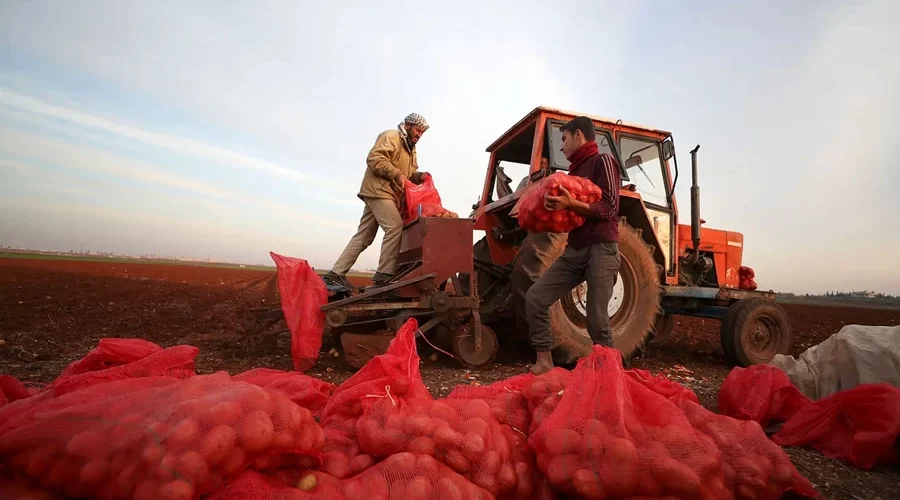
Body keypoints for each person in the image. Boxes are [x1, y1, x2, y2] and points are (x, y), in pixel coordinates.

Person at [524, 116, 621, 375]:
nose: (562, 146)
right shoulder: (573, 174)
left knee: (597, 319)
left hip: (602, 248)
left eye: (564, 139)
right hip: (575, 250)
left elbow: (610, 208)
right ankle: (544, 362)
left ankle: (609, 376)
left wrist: (571, 205)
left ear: (579, 135)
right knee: (536, 297)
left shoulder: (604, 162)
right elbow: (568, 220)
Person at [326, 113, 430, 288]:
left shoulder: (411, 151)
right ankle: (384, 275)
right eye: (418, 130)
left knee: (364, 236)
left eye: (422, 133)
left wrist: (420, 176)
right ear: (408, 125)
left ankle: (335, 274)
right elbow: (375, 159)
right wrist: (397, 175)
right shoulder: (391, 136)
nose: (419, 135)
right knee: (394, 226)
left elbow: (408, 175)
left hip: (384, 193)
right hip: (380, 191)